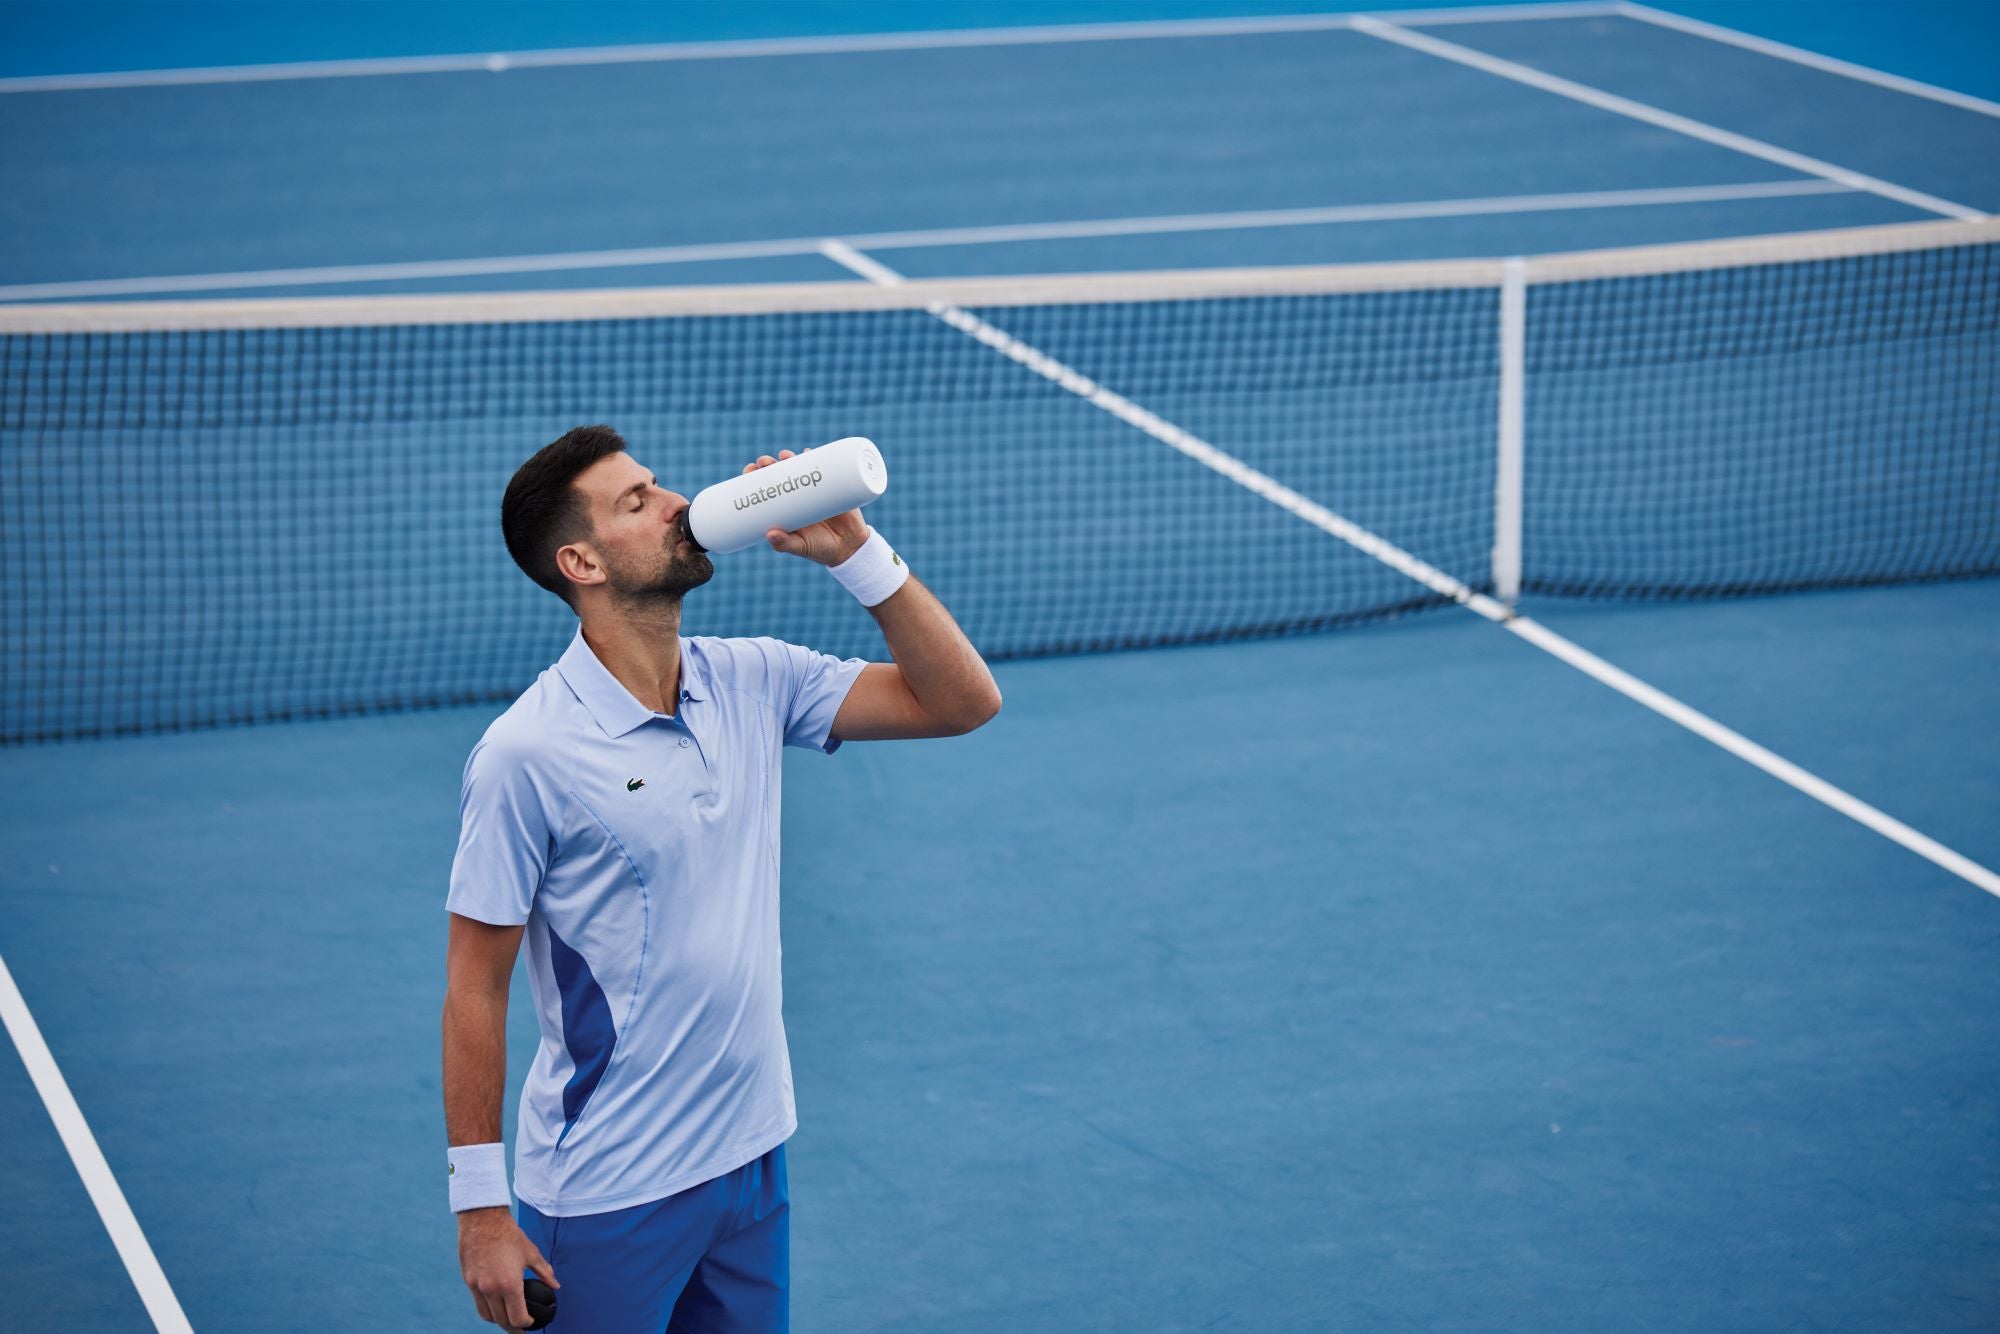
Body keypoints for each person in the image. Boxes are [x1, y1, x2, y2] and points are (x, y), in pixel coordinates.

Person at [442, 425, 1001, 1332]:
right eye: (638, 501)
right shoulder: (526, 755)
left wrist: (855, 553)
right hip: (609, 1188)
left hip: (750, 1160)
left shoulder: (754, 678)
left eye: (657, 484)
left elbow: (962, 702)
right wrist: (479, 1210)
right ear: (580, 561)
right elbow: (474, 987)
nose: (677, 503)